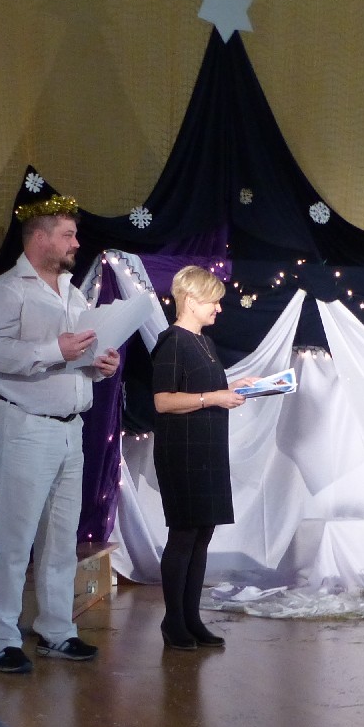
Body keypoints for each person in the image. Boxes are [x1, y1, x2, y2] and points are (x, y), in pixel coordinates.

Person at [0, 195, 119, 673]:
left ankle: (56, 630)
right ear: (39, 238)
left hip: (70, 429)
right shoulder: (6, 290)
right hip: (26, 426)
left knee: (60, 539)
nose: (76, 243)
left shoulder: (74, 295)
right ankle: (0, 637)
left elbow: (75, 361)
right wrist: (54, 349)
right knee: (14, 538)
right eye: (68, 235)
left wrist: (98, 365)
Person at [149, 265, 257, 650]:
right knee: (184, 534)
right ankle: (173, 622)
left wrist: (233, 387)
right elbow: (163, 401)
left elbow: (202, 389)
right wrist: (214, 397)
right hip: (182, 451)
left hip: (207, 449)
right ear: (191, 300)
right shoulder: (172, 342)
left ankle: (191, 618)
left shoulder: (205, 343)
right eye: (213, 301)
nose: (219, 309)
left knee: (201, 534)